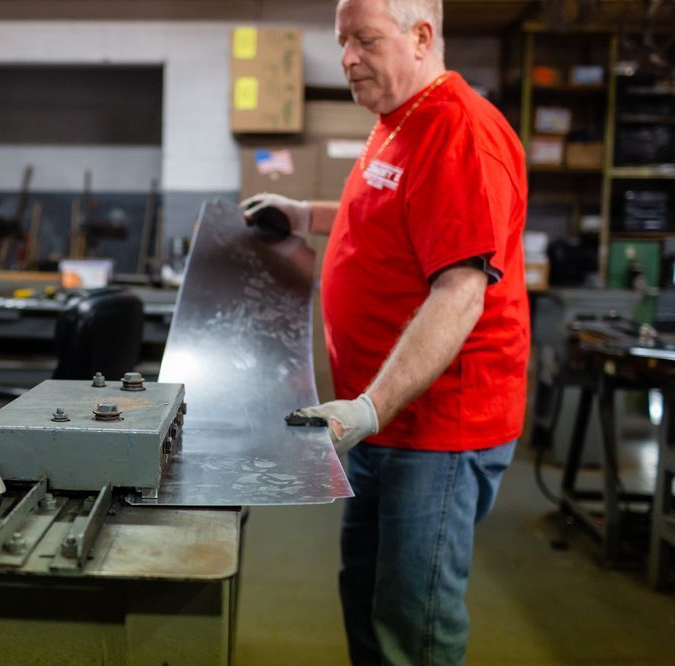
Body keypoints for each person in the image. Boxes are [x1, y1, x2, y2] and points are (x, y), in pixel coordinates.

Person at [241, 0, 529, 663]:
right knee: (367, 592)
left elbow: (459, 294)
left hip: (434, 429)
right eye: (342, 42)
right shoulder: (397, 122)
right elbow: (392, 213)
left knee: (412, 619)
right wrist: (305, 213)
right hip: (380, 420)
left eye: (364, 41)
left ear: (421, 37)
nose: (347, 59)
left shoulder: (460, 133)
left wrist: (368, 407)